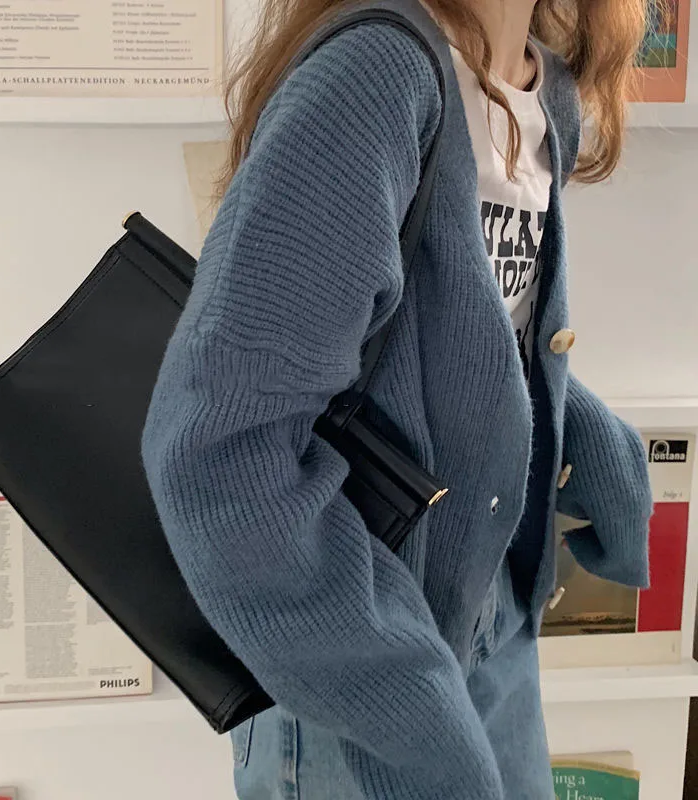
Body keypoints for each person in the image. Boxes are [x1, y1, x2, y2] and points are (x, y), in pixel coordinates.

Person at [142, 0, 654, 797]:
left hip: (490, 625)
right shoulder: (375, 79)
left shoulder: (541, 93)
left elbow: (465, 333)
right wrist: (416, 726)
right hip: (359, 665)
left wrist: (586, 438)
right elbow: (222, 452)